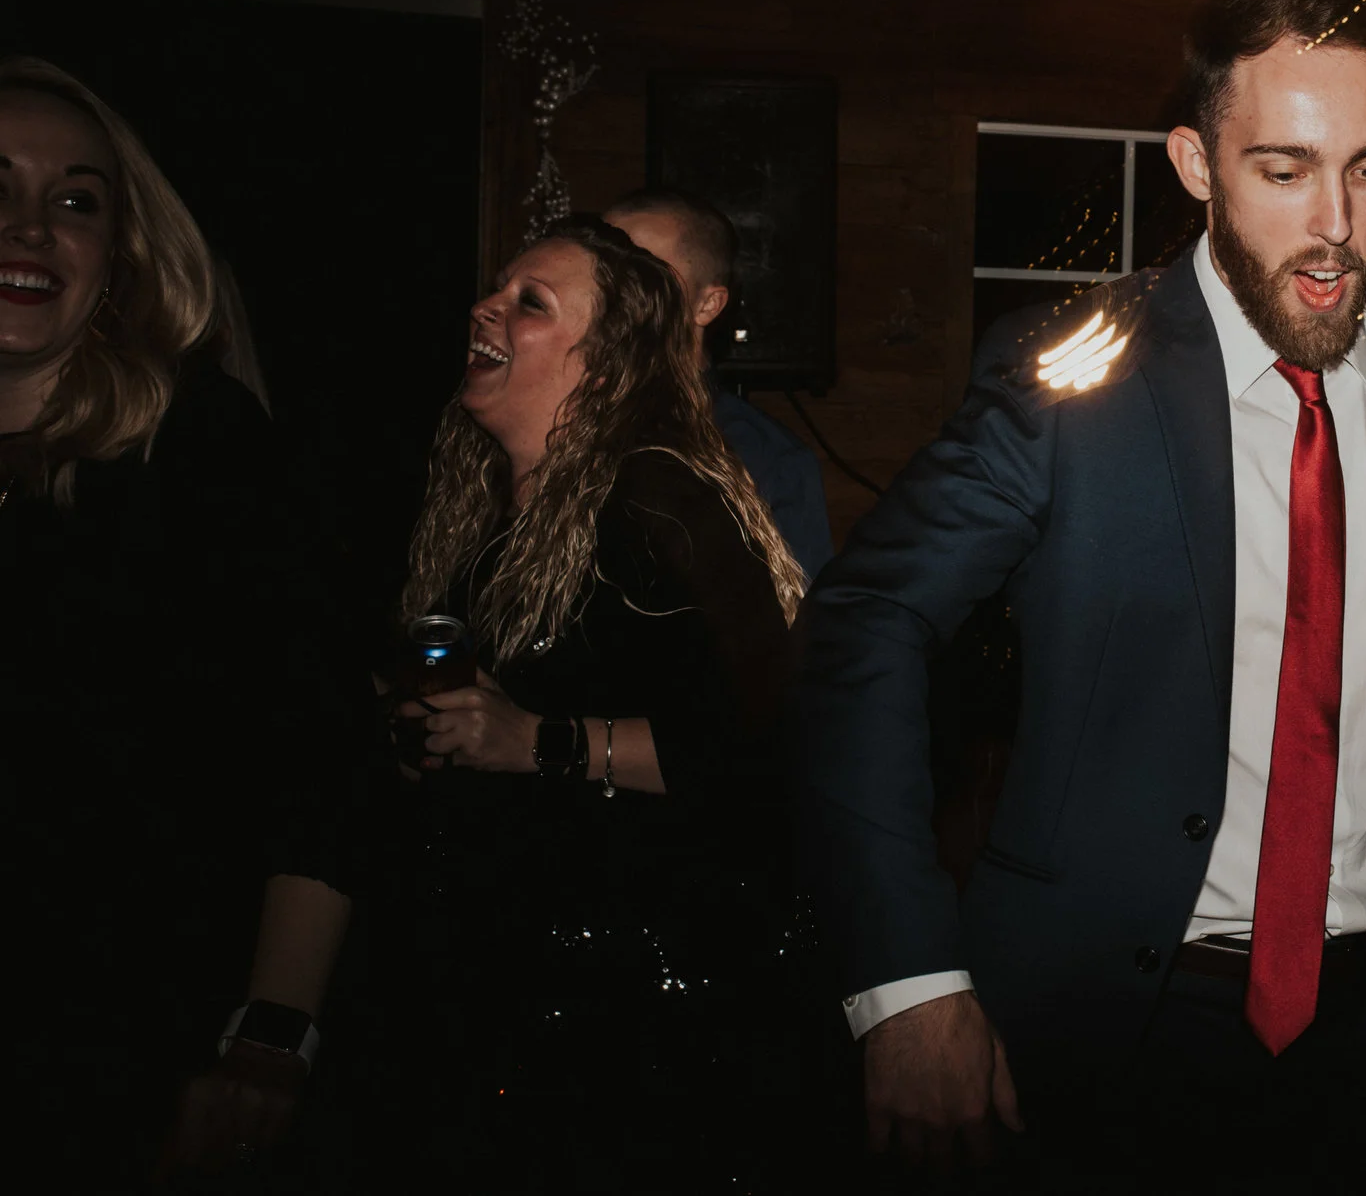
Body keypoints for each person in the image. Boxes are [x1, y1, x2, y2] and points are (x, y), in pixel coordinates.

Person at [794, 0, 1366, 1184]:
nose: (1334, 223)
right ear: (1197, 164)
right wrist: (908, 980)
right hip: (1123, 1028)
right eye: (1284, 170)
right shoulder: (1072, 376)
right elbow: (867, 618)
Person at [373, 214, 823, 1190]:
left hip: (647, 1020)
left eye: (530, 302)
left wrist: (537, 741)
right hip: (499, 988)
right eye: (497, 288)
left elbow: (769, 745)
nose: (486, 308)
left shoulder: (662, 503)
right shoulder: (475, 503)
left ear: (608, 367)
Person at [0, 58, 373, 1183]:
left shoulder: (202, 453)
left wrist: (271, 1037)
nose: (31, 227)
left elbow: (320, 756)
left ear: (116, 255)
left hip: (116, 1054)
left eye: (75, 200)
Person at [603, 187, 837, 580]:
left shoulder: (767, 457)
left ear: (708, 304)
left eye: (641, 275)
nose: (611, 292)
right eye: (602, 271)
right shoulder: (558, 413)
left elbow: (796, 609)